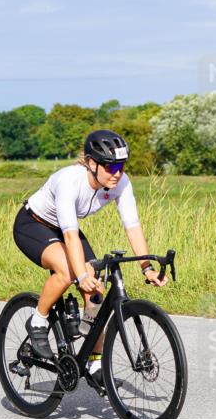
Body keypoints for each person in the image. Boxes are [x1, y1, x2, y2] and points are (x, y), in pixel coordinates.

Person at [12, 129, 166, 388]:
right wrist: (81, 275)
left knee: (96, 293)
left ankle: (94, 362)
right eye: (110, 166)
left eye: (121, 165)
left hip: (63, 228)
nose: (116, 172)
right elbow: (71, 237)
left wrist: (146, 267)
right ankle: (37, 319)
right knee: (71, 272)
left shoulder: (121, 183)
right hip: (33, 224)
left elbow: (133, 227)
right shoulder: (69, 181)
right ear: (92, 163)